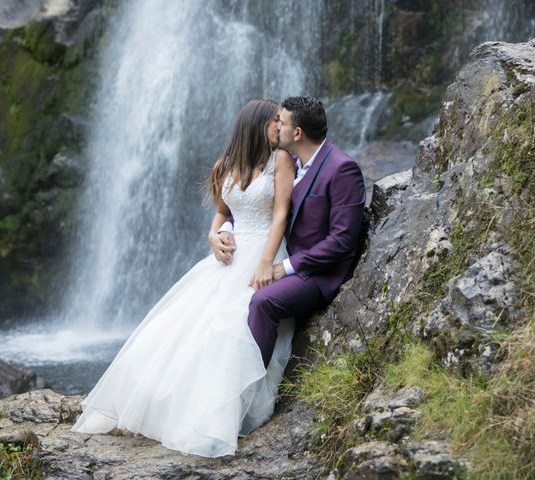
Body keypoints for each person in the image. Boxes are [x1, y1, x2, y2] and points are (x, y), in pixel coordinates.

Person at [72, 99, 297, 457]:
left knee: (231, 328)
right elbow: (223, 213)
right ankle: (167, 408)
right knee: (183, 329)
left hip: (263, 252)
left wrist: (267, 262)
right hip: (229, 257)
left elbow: (281, 215)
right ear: (255, 125)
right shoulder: (225, 166)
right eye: (273, 121)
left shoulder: (280, 160)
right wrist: (212, 236)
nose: (280, 127)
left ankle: (222, 412)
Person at [212, 96, 366, 367]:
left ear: (297, 133)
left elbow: (342, 240)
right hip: (280, 255)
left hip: (318, 273)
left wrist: (285, 266)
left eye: (279, 122)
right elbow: (254, 205)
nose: (274, 127)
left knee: (262, 301)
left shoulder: (341, 168)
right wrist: (224, 229)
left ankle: (247, 385)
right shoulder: (290, 161)